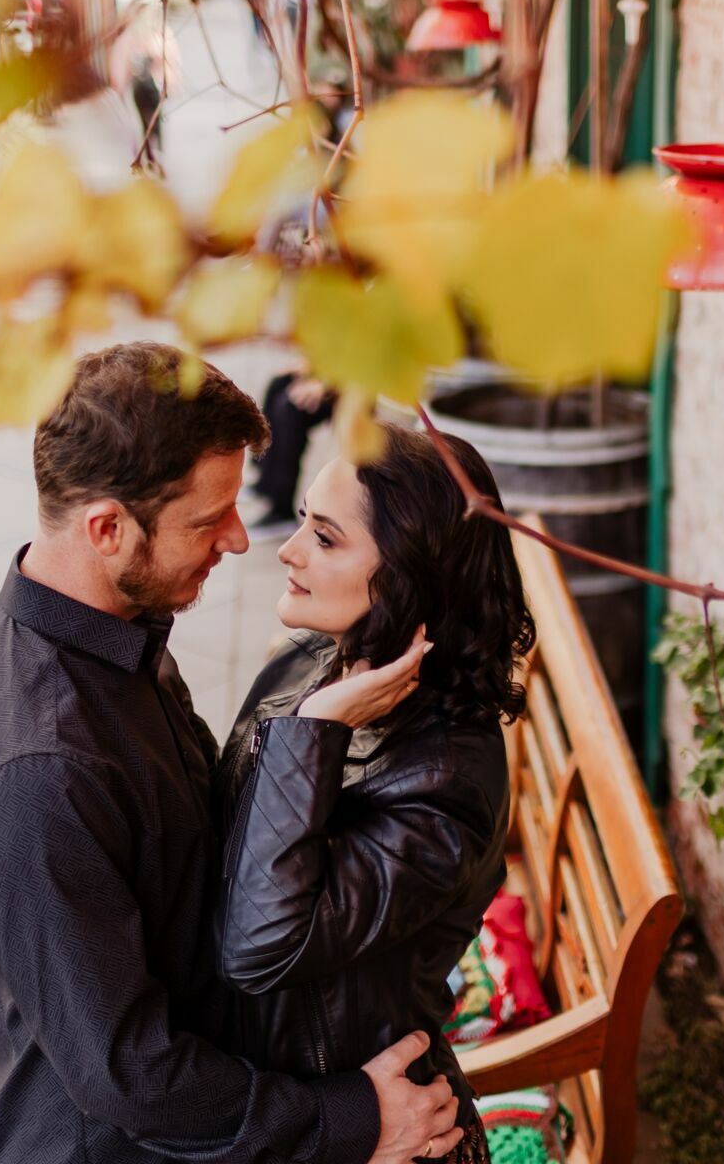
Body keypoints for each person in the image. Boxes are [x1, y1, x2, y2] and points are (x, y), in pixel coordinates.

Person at [0, 343, 465, 1164]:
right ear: (107, 528)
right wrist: (350, 1119)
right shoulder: (35, 778)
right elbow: (132, 1076)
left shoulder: (116, 636)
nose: (243, 540)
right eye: (208, 519)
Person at [211, 423, 536, 1164]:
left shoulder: (445, 782)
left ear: (407, 577)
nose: (289, 553)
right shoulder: (311, 660)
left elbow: (260, 948)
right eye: (301, 523)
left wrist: (314, 730)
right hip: (293, 1107)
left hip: (375, 1129)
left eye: (326, 539)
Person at [246, 371, 336, 540]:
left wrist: (327, 385)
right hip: (337, 376)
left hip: (357, 388)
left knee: (289, 406)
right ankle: (265, 483)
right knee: (278, 382)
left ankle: (282, 511)